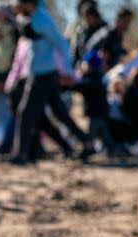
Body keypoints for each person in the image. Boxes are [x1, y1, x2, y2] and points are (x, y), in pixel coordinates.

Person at [9, 0, 94, 165]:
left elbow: (61, 42)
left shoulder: (42, 19)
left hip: (43, 74)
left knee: (25, 113)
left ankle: (22, 154)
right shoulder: (33, 18)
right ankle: (86, 142)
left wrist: (68, 71)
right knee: (59, 113)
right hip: (41, 73)